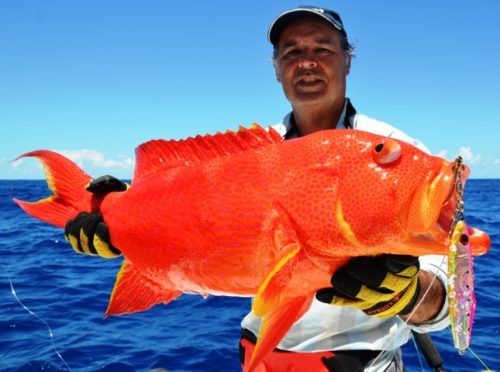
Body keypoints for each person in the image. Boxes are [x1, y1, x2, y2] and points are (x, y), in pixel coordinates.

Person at [65, 6, 449, 372]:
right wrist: (124, 213)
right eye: (292, 51)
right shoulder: (252, 154)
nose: (307, 61)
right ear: (277, 70)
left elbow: (451, 301)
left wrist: (411, 293)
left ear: (347, 60)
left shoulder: (394, 151)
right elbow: (195, 214)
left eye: (322, 48)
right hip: (257, 358)